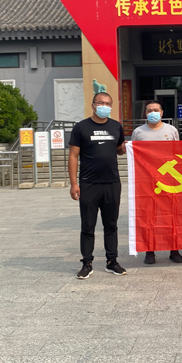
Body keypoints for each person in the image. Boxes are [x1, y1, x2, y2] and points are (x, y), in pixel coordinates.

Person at [69, 91, 127, 279]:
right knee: (88, 225)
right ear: (93, 105)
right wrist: (73, 183)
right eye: (101, 103)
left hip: (112, 183)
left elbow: (118, 150)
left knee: (111, 225)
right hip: (89, 184)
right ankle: (87, 263)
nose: (104, 106)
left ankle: (112, 261)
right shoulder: (81, 127)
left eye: (108, 103)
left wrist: (123, 149)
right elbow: (73, 156)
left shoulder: (116, 126)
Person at [132, 100, 182, 265]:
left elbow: (178, 153)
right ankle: (150, 251)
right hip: (147, 181)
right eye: (149, 110)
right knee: (149, 216)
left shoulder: (171, 130)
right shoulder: (138, 132)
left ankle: (174, 250)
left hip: (169, 180)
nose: (152, 113)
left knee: (171, 216)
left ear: (162, 112)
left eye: (156, 110)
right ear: (145, 113)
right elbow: (134, 155)